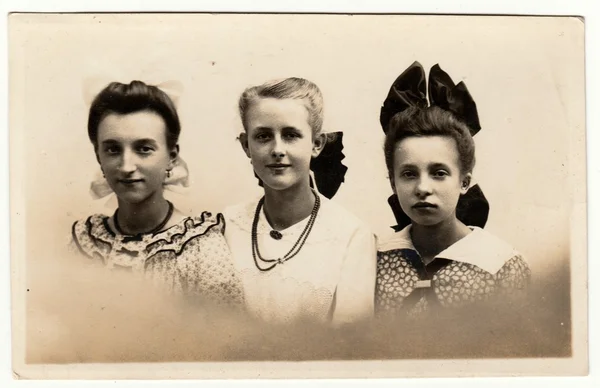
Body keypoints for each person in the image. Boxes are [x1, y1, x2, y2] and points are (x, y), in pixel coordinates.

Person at [376, 62, 531, 316]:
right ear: (393, 182)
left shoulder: (501, 264)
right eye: (408, 174)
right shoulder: (375, 260)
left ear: (464, 182)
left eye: (439, 173)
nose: (423, 188)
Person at [70, 80, 243, 307]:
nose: (126, 166)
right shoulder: (86, 242)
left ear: (172, 156)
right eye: (112, 149)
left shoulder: (199, 247)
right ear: (98, 156)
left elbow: (227, 337)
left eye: (144, 149)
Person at [223, 77, 376, 325]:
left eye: (291, 135)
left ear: (316, 144)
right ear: (246, 146)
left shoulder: (351, 235)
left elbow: (351, 342)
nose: (277, 149)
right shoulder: (226, 226)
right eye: (263, 136)